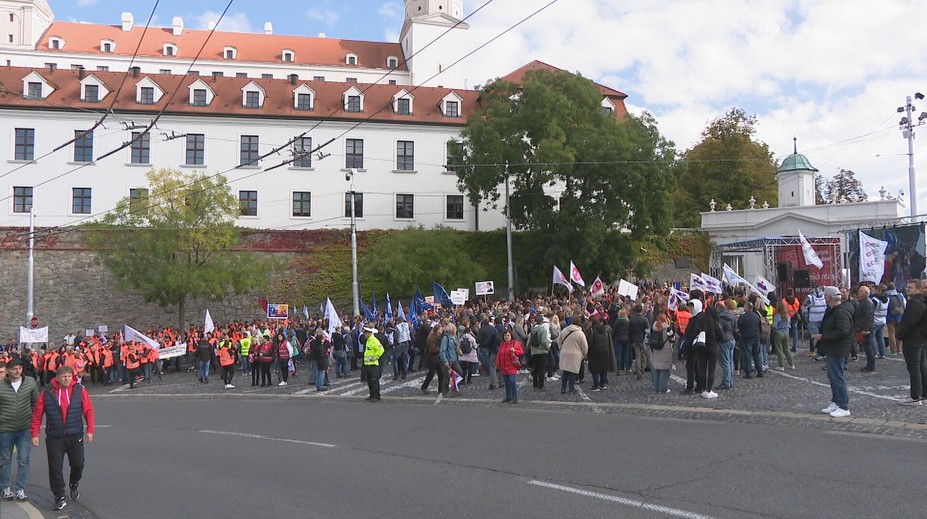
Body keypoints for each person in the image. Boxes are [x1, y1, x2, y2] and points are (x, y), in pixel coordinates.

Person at [30, 366, 95, 511]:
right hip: (55, 437)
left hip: (75, 435)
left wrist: (90, 430)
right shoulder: (47, 392)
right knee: (55, 469)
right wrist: (35, 433)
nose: (66, 379)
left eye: (69, 376)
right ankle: (59, 496)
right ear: (57, 378)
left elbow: (88, 410)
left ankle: (74, 482)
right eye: (64, 377)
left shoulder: (79, 390)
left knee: (78, 464)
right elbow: (37, 414)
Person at [1, 358, 40, 501]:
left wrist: (32, 421)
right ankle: (5, 488)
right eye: (14, 369)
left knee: (24, 460)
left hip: (24, 428)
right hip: (5, 429)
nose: (17, 371)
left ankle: (20, 489)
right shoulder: (1, 385)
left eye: (20, 368)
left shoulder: (29, 382)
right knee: (5, 460)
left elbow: (36, 403)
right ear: (8, 371)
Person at [812, 286, 853, 418]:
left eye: (825, 296)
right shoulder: (833, 310)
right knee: (832, 376)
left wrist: (823, 337)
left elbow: (843, 331)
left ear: (829, 297)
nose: (824, 298)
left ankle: (843, 406)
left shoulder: (841, 312)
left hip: (838, 349)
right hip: (833, 348)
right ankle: (836, 402)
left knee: (837, 377)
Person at [896, 278, 927, 405]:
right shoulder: (921, 302)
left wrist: (901, 335)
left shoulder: (915, 303)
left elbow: (910, 322)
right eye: (907, 286)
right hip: (921, 338)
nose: (908, 288)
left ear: (919, 289)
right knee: (921, 366)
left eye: (911, 287)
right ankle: (923, 394)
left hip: (913, 339)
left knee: (914, 367)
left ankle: (916, 396)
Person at [558, 314, 588, 395]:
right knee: (572, 372)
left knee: (565, 371)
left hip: (565, 353)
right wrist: (584, 354)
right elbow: (584, 346)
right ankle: (571, 388)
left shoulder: (565, 330)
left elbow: (559, 340)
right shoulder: (580, 333)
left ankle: (563, 388)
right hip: (575, 354)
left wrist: (561, 348)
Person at [586, 315, 615, 391]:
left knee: (594, 369)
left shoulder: (591, 330)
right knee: (603, 368)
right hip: (604, 350)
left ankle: (595, 385)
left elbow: (589, 341)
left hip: (594, 351)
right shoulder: (604, 329)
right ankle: (602, 383)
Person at [650, 310, 675, 393]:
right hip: (665, 351)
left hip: (656, 350)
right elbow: (672, 339)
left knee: (657, 370)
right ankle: (662, 389)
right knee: (664, 371)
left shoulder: (654, 326)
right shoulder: (667, 328)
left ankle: (656, 388)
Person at [495, 330, 524, 404]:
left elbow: (521, 352)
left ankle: (514, 397)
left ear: (511, 336)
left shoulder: (515, 343)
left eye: (508, 335)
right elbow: (499, 354)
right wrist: (497, 364)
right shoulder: (502, 344)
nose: (506, 337)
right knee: (507, 382)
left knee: (511, 381)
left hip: (512, 366)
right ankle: (508, 396)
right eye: (505, 336)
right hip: (504, 366)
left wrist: (514, 351)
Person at [715, 300, 737, 390]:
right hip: (732, 338)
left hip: (724, 340)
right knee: (730, 361)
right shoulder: (732, 315)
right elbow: (735, 327)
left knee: (725, 363)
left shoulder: (719, 317)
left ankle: (726, 382)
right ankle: (730, 381)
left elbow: (719, 330)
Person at [855, 285, 876, 372]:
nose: (859, 293)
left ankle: (871, 365)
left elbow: (869, 317)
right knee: (866, 346)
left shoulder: (867, 303)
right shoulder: (862, 302)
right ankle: (870, 364)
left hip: (866, 328)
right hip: (862, 327)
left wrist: (865, 329)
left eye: (861, 291)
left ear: (866, 293)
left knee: (868, 347)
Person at [361, 326, 384, 401]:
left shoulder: (374, 340)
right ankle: (372, 395)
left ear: (369, 333)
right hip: (368, 364)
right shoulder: (368, 340)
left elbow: (381, 349)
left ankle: (376, 396)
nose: (364, 334)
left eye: (365, 333)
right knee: (370, 381)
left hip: (373, 365)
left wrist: (375, 357)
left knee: (374, 381)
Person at [804, 286, 827, 359]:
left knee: (815, 337)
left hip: (813, 320)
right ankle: (824, 352)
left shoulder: (809, 297)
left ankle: (816, 352)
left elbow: (804, 309)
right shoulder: (825, 297)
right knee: (823, 337)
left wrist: (806, 319)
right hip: (823, 319)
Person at [771, 301, 796, 370]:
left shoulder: (777, 316)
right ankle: (791, 364)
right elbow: (789, 325)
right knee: (787, 349)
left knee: (779, 350)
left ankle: (781, 365)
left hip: (779, 333)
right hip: (786, 333)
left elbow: (775, 326)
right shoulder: (787, 316)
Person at [476, 315, 499, 391]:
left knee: (487, 360)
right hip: (491, 346)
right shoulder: (492, 328)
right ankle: (491, 373)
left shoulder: (481, 329)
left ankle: (489, 372)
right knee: (490, 360)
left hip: (484, 346)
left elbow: (478, 339)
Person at [629, 304, 650, 380]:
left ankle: (638, 370)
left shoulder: (632, 319)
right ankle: (642, 368)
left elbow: (630, 331)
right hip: (643, 339)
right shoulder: (644, 319)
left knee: (637, 356)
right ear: (641, 310)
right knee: (643, 355)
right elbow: (648, 331)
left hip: (635, 339)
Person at [782, 288, 801, 352]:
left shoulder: (784, 301)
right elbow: (798, 307)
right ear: (792, 293)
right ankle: (794, 346)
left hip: (786, 317)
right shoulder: (796, 300)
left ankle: (786, 346)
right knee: (795, 332)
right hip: (794, 317)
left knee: (786, 332)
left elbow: (782, 309)